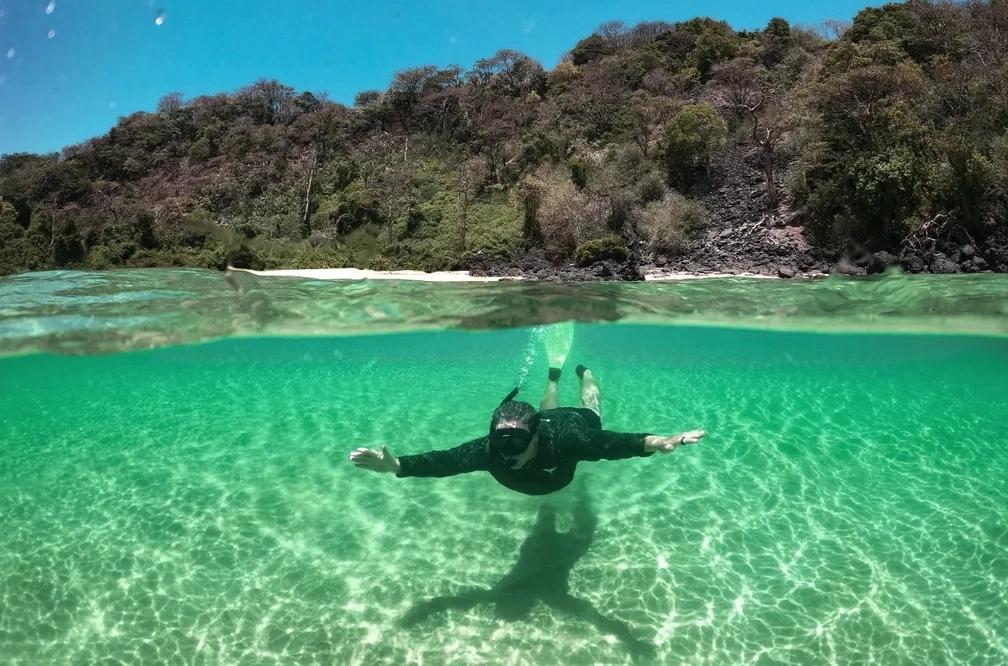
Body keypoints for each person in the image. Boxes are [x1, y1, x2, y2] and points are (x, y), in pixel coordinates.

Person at [350, 362, 706, 496]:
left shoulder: (569, 441)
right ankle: (553, 377)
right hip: (546, 424)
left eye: (517, 447)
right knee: (547, 404)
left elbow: (614, 444)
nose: (509, 456)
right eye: (502, 446)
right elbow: (444, 461)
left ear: (535, 436)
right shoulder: (491, 450)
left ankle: (587, 375)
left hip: (571, 423)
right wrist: (395, 467)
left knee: (590, 408)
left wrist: (661, 442)